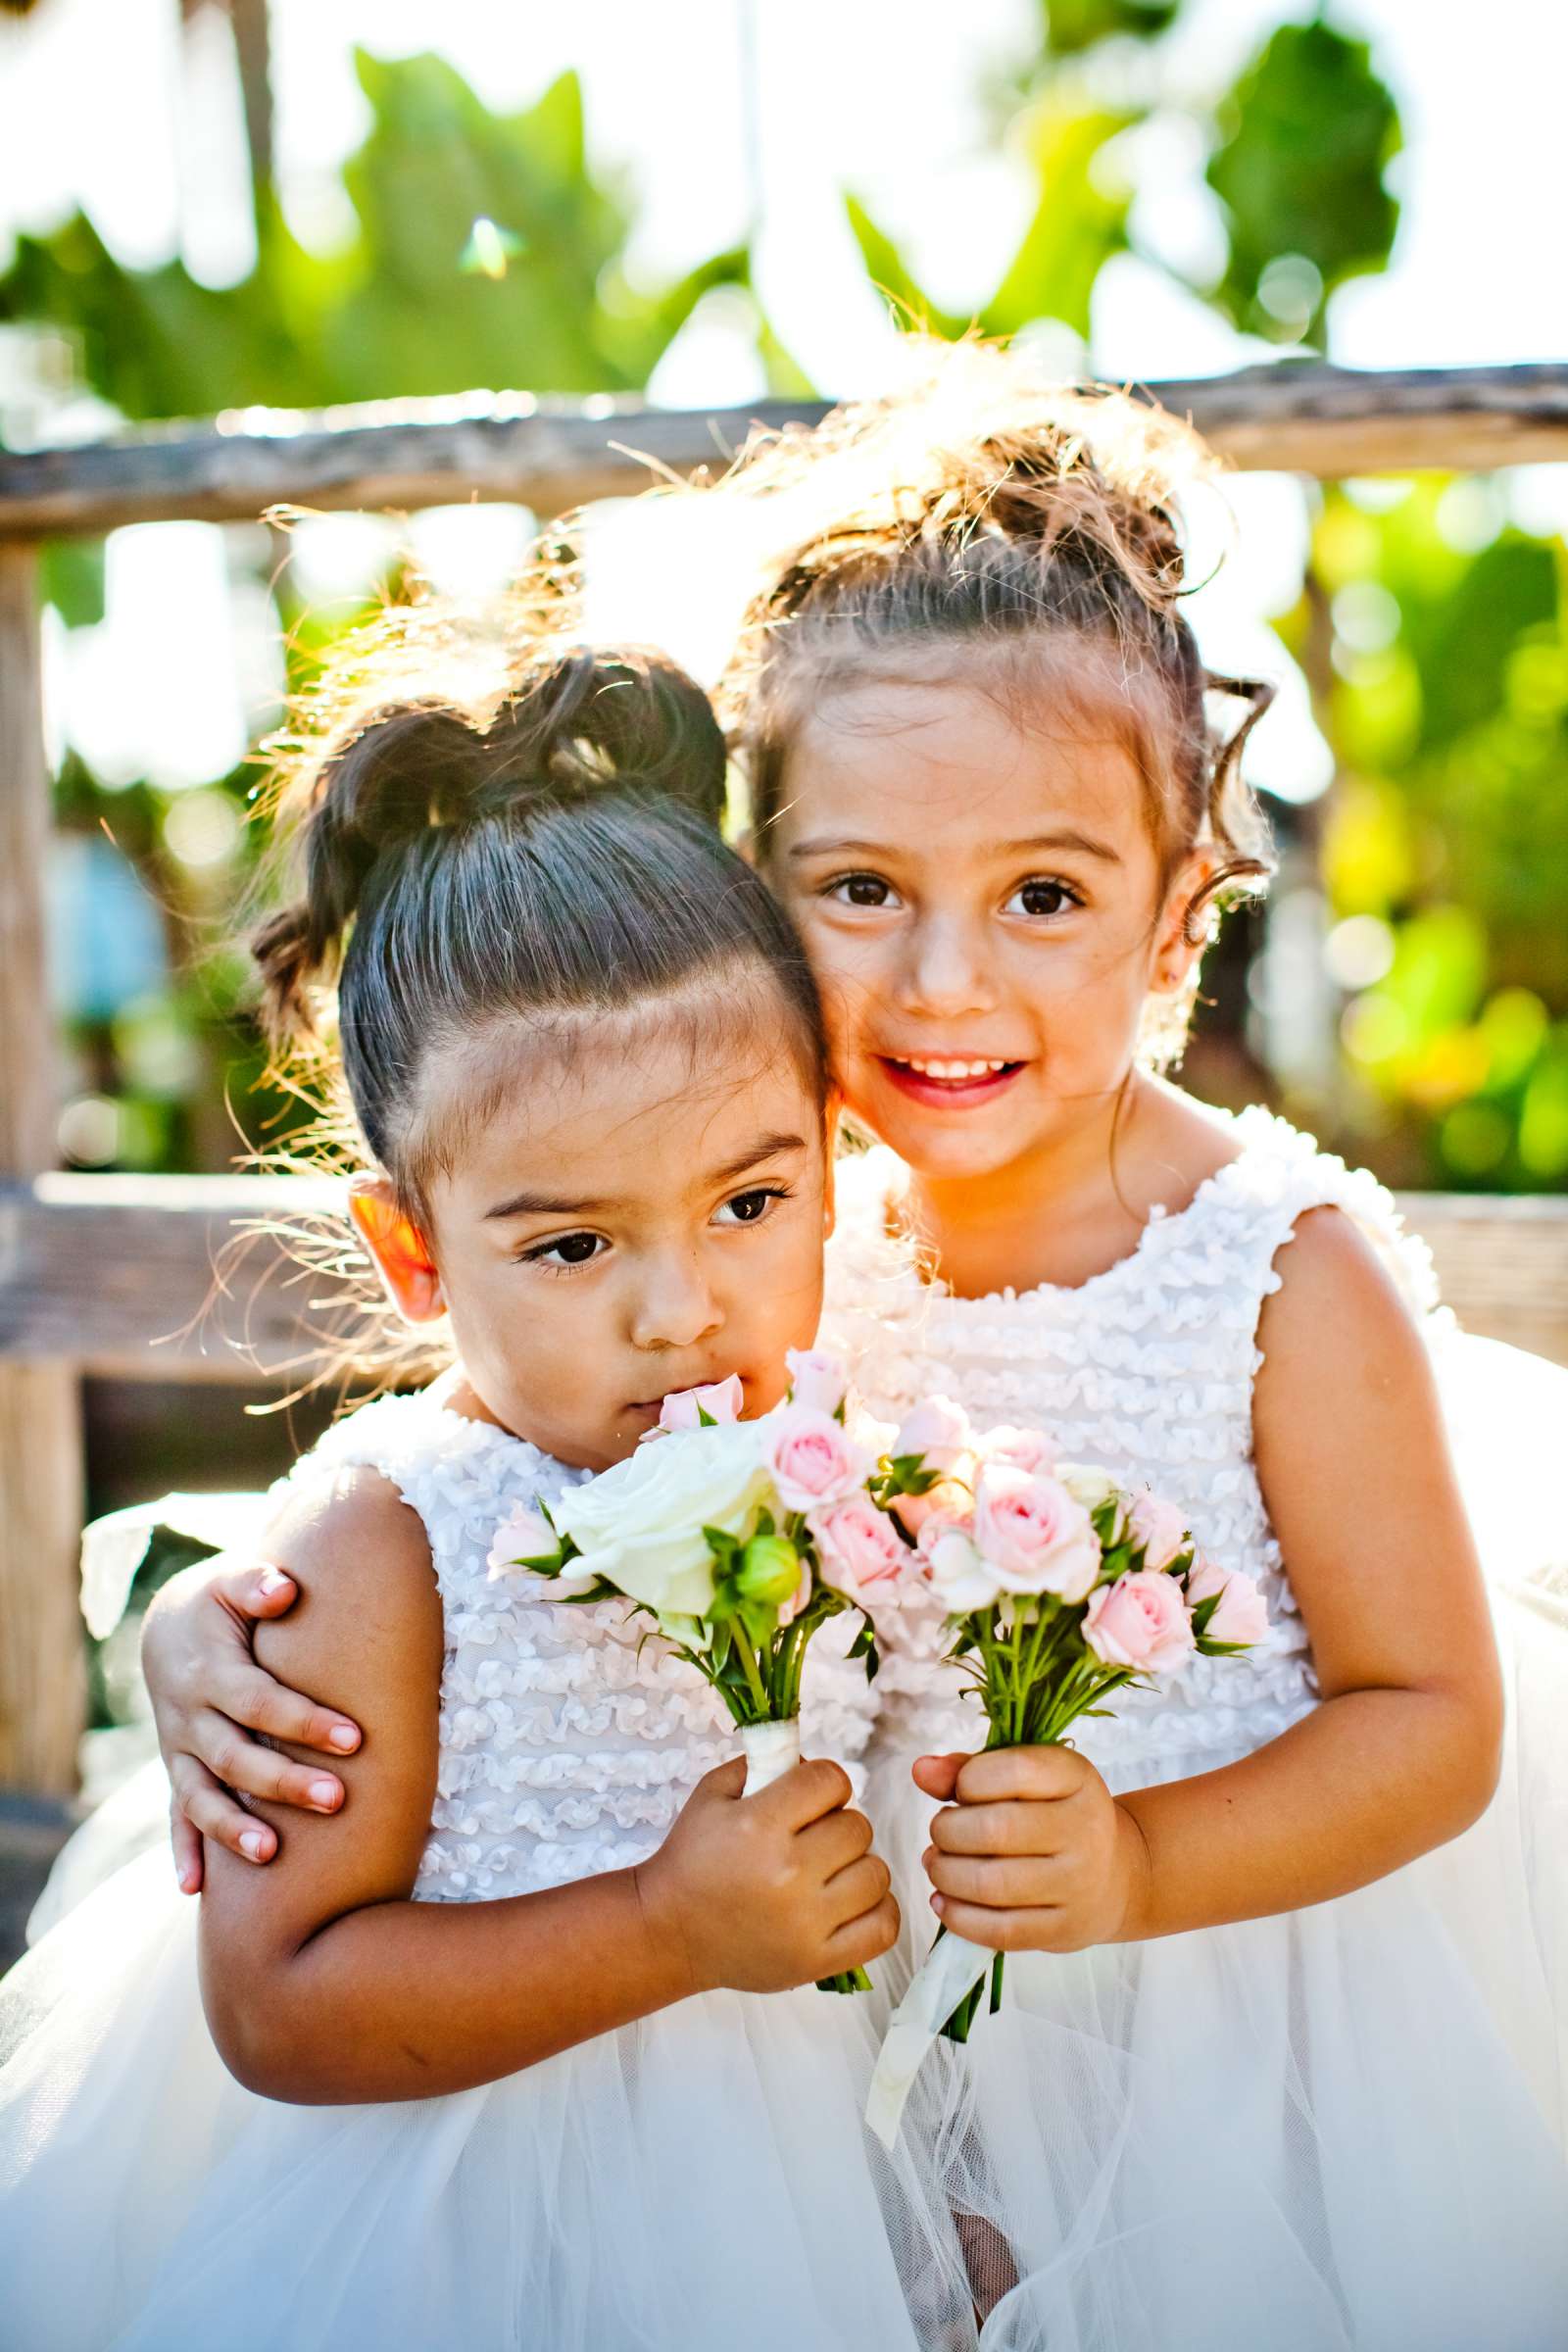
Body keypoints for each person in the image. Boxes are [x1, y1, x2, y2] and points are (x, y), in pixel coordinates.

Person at [128, 350, 1568, 2346]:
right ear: (752, 886)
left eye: (1044, 895)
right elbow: (477, 1453)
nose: (943, 978)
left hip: (1207, 2055)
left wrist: (1138, 1863)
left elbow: (1431, 1718)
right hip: (819, 2059)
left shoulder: (1274, 1270)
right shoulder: (773, 1226)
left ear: (1177, 921)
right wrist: (214, 1613)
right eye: (859, 890)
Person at [0, 628, 955, 2352]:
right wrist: (668, 1925)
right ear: (418, 1252)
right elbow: (283, 2010)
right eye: (575, 1243)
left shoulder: (840, 1428)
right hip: (470, 2236)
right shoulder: (383, 1550)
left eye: (752, 1203)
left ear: (832, 1147)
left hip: (797, 2192)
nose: (685, 1310)